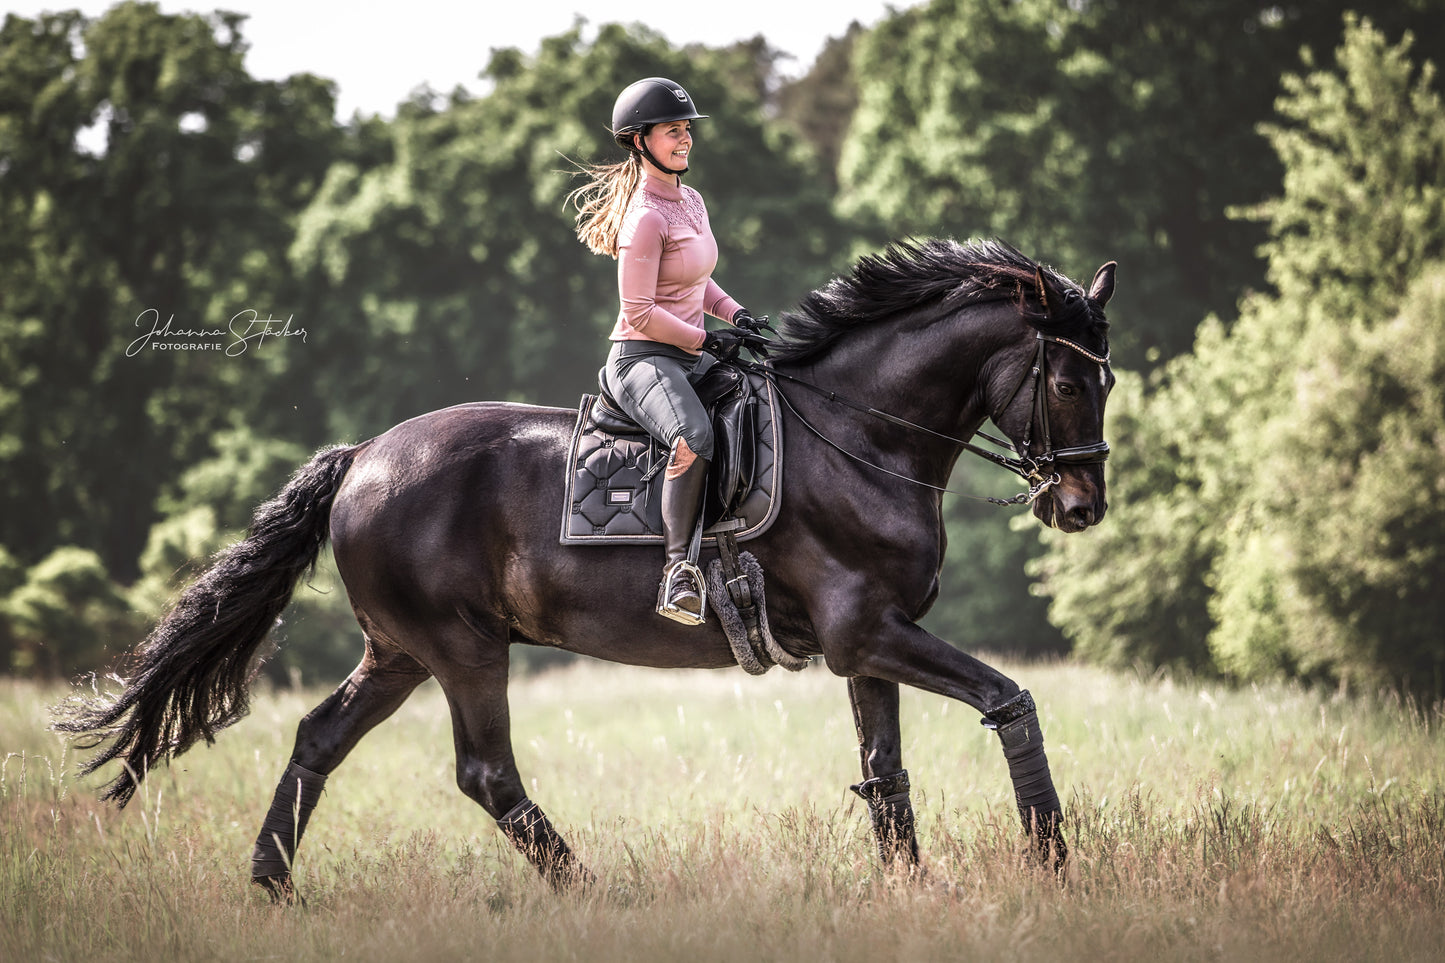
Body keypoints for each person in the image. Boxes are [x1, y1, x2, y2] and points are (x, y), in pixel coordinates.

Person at [568, 77, 770, 625]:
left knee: (762, 396)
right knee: (693, 434)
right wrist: (708, 339)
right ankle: (678, 571)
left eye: (687, 130)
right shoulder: (645, 218)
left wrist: (737, 316)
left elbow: (695, 281)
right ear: (640, 141)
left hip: (688, 351)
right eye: (672, 132)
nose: (684, 139)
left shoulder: (691, 202)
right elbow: (639, 312)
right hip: (643, 359)